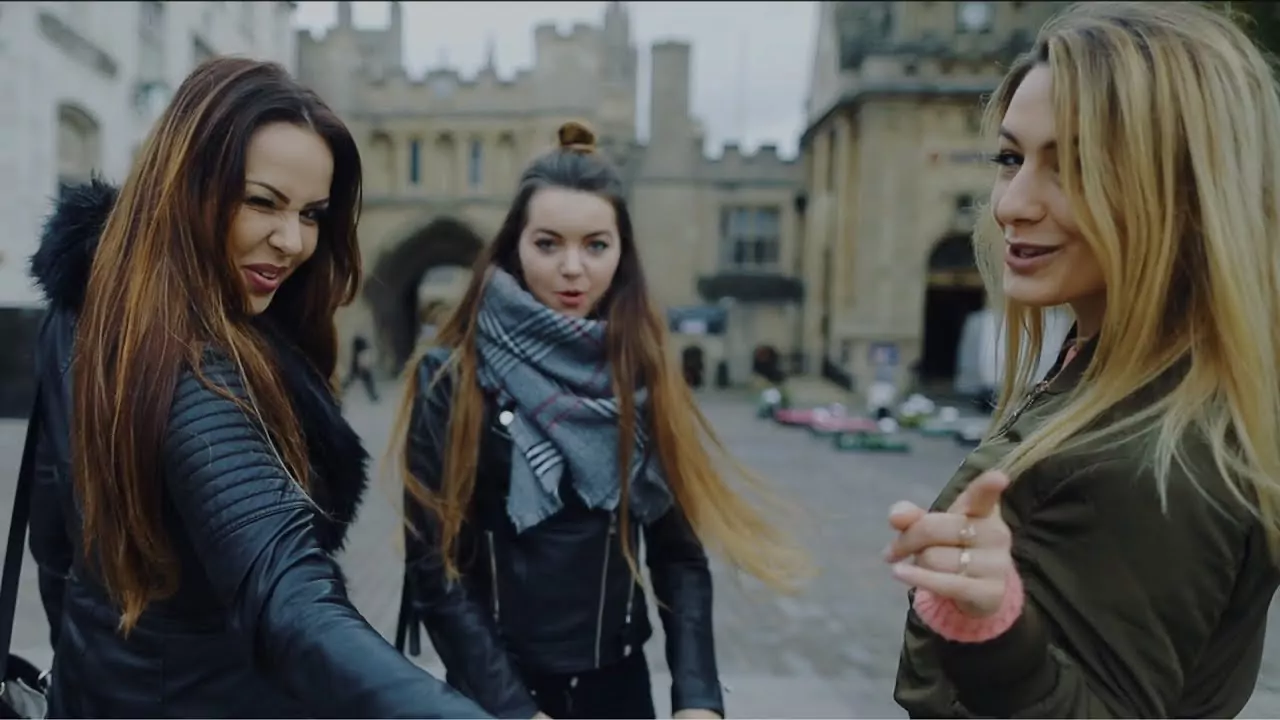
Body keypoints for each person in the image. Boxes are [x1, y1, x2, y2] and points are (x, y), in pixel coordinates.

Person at [26, 57, 489, 718]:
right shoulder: (196, 365)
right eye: (262, 202)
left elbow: (56, 544)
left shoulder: (84, 304)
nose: (293, 241)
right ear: (187, 182)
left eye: (313, 213)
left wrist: (94, 659)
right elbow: (291, 600)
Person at [886, 3, 1280, 717]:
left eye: (1074, 167)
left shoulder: (1154, 454)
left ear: (1188, 190)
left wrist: (994, 635)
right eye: (1011, 158)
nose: (1013, 204)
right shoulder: (1110, 369)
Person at [391, 121, 812, 720]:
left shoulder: (640, 373)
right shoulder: (452, 378)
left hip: (616, 687)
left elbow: (678, 554)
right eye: (548, 244)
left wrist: (698, 700)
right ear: (514, 248)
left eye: (595, 245)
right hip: (496, 689)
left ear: (621, 253)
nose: (573, 268)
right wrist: (514, 710)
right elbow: (435, 565)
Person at [344, 334, 380, 401]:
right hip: (361, 366)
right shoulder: (363, 347)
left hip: (359, 364)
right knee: (367, 380)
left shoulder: (360, 347)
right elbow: (362, 358)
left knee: (352, 378)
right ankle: (373, 395)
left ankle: (373, 395)